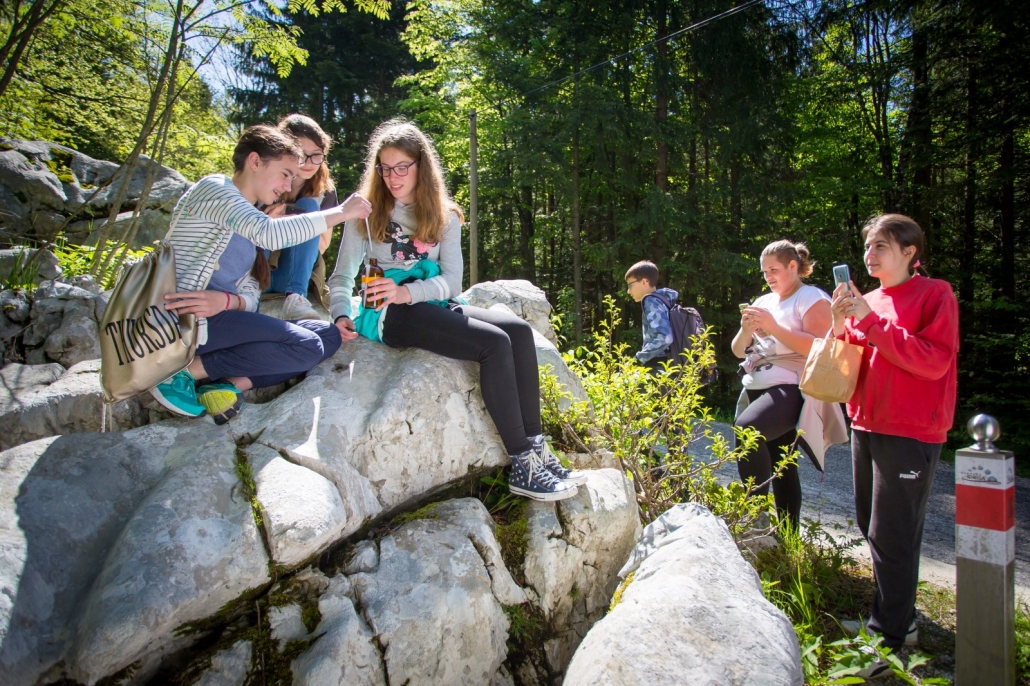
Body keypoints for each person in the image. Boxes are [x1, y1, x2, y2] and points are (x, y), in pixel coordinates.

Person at [327, 119, 585, 502]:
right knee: (493, 344)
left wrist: (408, 290)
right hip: (386, 313)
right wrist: (339, 313)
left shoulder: (443, 215)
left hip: (430, 300)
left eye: (402, 167)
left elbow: (452, 281)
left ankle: (536, 449)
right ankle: (522, 465)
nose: (392, 177)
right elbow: (341, 276)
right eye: (385, 168)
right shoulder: (365, 212)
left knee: (517, 331)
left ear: (421, 166)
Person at [152, 124, 372, 422]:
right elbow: (269, 232)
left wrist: (227, 301)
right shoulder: (214, 189)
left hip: (219, 320)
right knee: (307, 345)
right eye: (285, 174)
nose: (287, 186)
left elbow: (252, 294)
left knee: (329, 335)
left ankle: (225, 385)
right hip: (183, 321)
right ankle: (179, 373)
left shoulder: (253, 215)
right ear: (255, 161)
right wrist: (343, 212)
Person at [831, 214, 958, 676]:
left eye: (881, 245)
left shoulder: (934, 294)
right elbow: (851, 355)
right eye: (868, 245)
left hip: (911, 429)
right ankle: (897, 621)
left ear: (909, 252)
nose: (870, 254)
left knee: (894, 535)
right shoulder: (871, 300)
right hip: (867, 423)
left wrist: (869, 321)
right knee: (874, 527)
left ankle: (887, 643)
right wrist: (841, 321)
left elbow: (933, 361)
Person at [731, 240, 843, 527]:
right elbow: (738, 350)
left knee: (748, 431)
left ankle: (754, 517)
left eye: (774, 270)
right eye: (764, 272)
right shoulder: (763, 302)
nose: (768, 277)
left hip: (792, 387)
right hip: (757, 386)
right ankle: (787, 535)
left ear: (793, 266)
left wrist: (774, 327)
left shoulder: (811, 298)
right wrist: (745, 330)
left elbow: (819, 347)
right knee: (782, 463)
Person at [264, 114, 339, 321]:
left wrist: (286, 223)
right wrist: (267, 224)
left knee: (308, 207)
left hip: (293, 274)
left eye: (316, 155)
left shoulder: (325, 191)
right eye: (301, 155)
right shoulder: (264, 181)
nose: (309, 163)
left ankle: (296, 298)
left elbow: (321, 245)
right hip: (258, 271)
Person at [624, 260, 676, 372]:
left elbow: (664, 337)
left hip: (658, 368)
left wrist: (638, 359)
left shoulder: (651, 301)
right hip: (671, 366)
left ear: (644, 282)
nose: (628, 291)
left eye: (630, 285)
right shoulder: (663, 301)